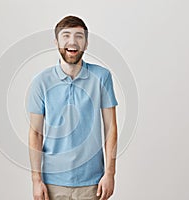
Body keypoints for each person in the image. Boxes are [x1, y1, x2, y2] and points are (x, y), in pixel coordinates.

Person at [27, 15, 118, 200]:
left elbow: (111, 129)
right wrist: (36, 180)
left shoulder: (102, 77)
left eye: (79, 36)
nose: (72, 42)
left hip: (93, 182)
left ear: (86, 43)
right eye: (66, 35)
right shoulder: (41, 82)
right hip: (52, 182)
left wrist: (110, 174)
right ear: (56, 41)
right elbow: (35, 133)